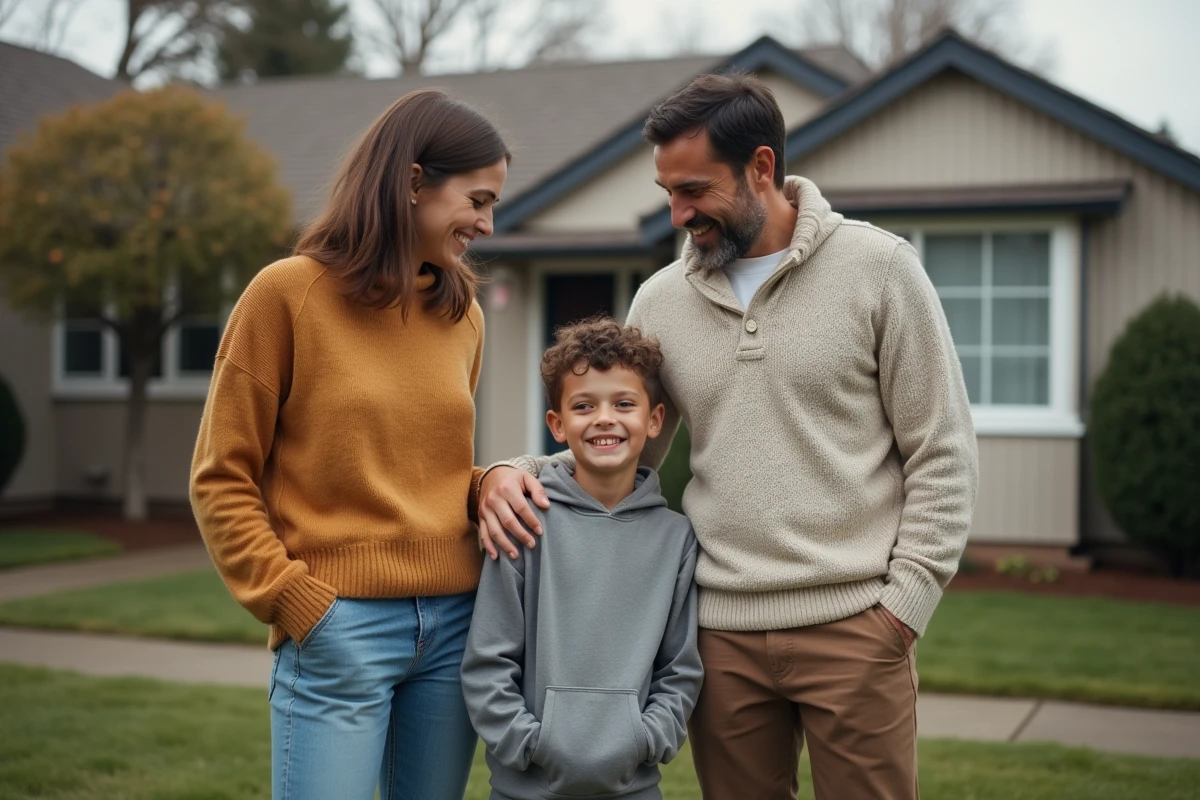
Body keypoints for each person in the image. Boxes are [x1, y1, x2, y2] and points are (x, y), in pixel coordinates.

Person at [477, 72, 979, 800]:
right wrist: (510, 471)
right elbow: (618, 440)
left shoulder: (880, 270)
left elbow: (942, 449)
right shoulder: (662, 299)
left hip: (856, 626)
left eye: (694, 190)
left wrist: (902, 609)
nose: (678, 212)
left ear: (761, 167)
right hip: (720, 637)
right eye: (668, 192)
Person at [189, 89, 509, 800]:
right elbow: (221, 476)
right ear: (414, 181)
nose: (488, 225)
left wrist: (487, 481)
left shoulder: (462, 315)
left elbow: (429, 460)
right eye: (478, 201)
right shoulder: (287, 295)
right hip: (340, 625)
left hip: (455, 625)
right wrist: (294, 601)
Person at [461, 317, 702, 800]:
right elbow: (488, 661)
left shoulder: (675, 539)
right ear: (557, 424)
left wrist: (646, 738)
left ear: (654, 420)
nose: (604, 418)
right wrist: (529, 743)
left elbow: (680, 669)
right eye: (584, 405)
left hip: (633, 788)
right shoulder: (524, 522)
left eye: (624, 404)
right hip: (524, 789)